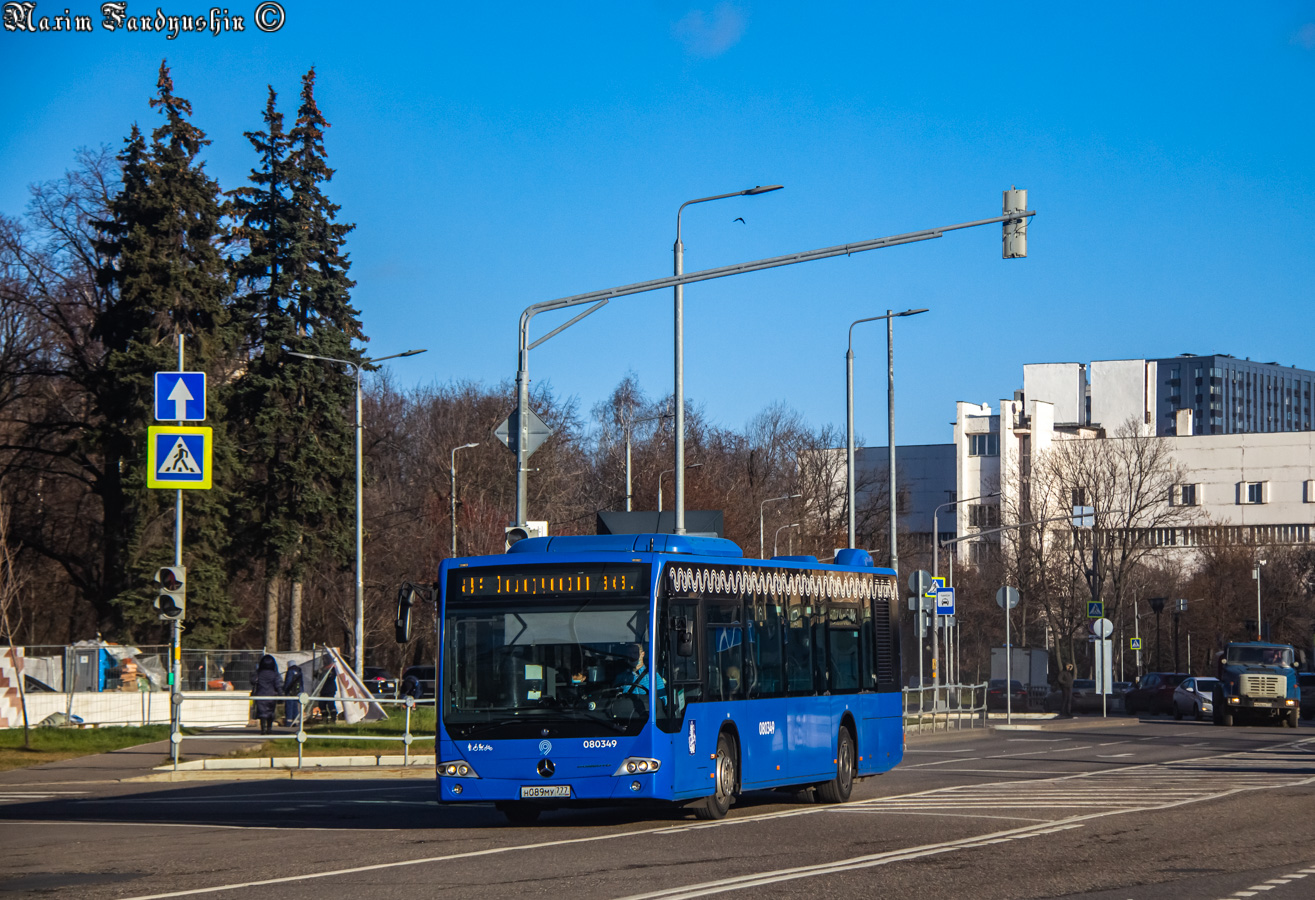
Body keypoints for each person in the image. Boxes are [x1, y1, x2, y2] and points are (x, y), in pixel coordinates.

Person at [250, 655, 282, 735]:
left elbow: (253, 681)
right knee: (270, 712)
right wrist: (281, 695)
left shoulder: (259, 673)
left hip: (261, 695)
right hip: (272, 695)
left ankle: (263, 729)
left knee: (262, 713)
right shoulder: (274, 674)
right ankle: (269, 729)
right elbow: (278, 685)